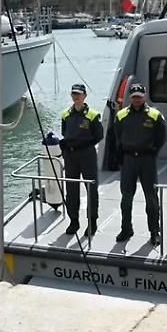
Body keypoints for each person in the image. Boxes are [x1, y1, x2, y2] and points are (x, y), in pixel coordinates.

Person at [114, 82, 166, 245]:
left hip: (147, 161)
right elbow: (117, 137)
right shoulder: (121, 115)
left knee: (151, 199)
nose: (136, 99)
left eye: (139, 97)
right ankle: (126, 228)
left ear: (144, 96)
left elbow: (161, 137)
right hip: (129, 161)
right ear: (130, 97)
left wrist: (151, 152)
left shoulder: (155, 115)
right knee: (126, 198)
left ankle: (154, 232)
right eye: (134, 96)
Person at [60, 83, 103, 236]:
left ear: (85, 96)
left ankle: (92, 221)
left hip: (87, 155)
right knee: (71, 190)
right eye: (74, 94)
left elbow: (98, 136)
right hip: (70, 157)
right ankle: (74, 221)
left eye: (78, 94)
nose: (76, 96)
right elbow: (64, 132)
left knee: (91, 189)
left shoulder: (92, 115)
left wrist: (82, 144)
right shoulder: (66, 114)